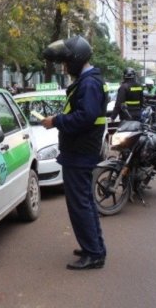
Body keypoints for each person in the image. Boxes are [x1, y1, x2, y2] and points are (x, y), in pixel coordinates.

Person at [40, 35, 107, 270]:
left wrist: (55, 120)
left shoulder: (89, 83)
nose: (65, 67)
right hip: (79, 151)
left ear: (77, 60)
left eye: (67, 63)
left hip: (80, 152)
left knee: (80, 204)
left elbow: (85, 117)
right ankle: (94, 247)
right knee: (85, 202)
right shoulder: (88, 80)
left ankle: (93, 253)